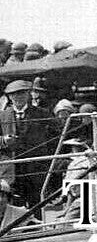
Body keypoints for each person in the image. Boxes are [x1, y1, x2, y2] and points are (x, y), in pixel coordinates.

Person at [0, 79, 55, 210]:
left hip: (36, 168)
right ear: (9, 97)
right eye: (14, 94)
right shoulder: (2, 116)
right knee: (13, 207)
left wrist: (46, 158)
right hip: (11, 170)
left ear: (28, 94)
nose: (18, 97)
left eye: (22, 93)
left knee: (37, 205)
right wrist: (3, 141)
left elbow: (55, 137)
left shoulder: (42, 113)